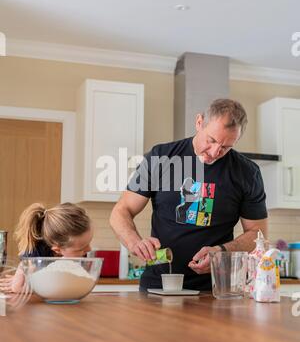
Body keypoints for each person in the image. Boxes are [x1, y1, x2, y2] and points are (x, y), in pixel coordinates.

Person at [110, 98, 268, 291]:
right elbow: (121, 211)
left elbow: (258, 234)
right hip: (158, 286)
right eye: (211, 140)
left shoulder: (247, 173)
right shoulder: (161, 157)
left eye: (226, 147)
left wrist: (221, 252)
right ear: (199, 122)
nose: (215, 152)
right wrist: (135, 242)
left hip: (216, 289)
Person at [0, 202, 93, 293]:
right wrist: (24, 281)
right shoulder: (34, 254)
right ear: (57, 250)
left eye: (89, 243)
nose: (89, 249)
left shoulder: (77, 252)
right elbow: (17, 287)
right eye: (82, 248)